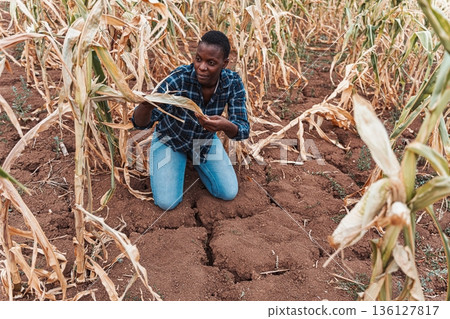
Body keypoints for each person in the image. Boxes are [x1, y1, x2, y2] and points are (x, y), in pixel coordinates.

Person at [132, 30, 250, 210]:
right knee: (167, 203)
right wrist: (147, 105)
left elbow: (242, 129)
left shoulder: (233, 83)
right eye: (198, 59)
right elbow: (140, 123)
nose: (202, 67)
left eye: (211, 63)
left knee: (228, 192)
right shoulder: (179, 78)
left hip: (203, 142)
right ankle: (178, 157)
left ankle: (193, 158)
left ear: (224, 64)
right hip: (171, 140)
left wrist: (225, 125)